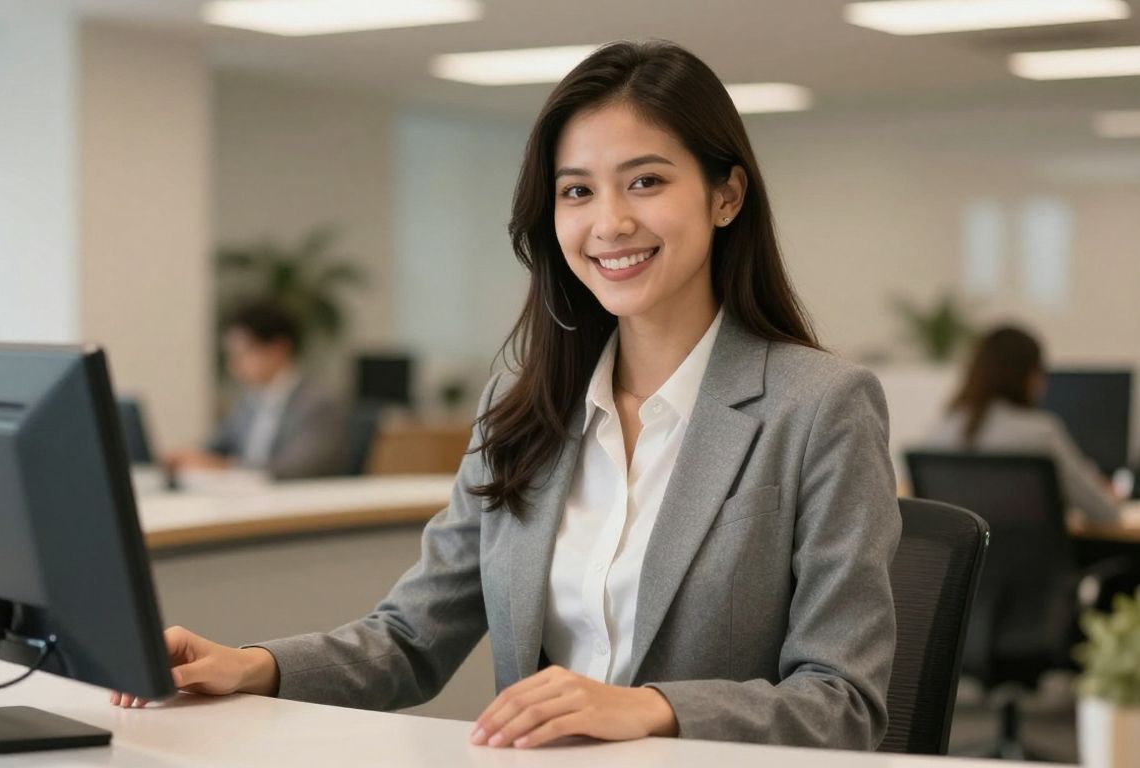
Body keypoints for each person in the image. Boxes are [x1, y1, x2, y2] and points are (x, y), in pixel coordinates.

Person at [114, 40, 901, 751]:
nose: (611, 222)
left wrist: (654, 708)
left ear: (726, 197)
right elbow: (411, 637)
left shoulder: (820, 406)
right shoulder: (524, 404)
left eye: (647, 181)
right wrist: (251, 665)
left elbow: (843, 703)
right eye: (577, 192)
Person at [919, 325, 1121, 523]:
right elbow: (1103, 512)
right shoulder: (1041, 433)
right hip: (1034, 556)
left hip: (970, 557)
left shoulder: (942, 429)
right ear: (1030, 376)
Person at [165, 301, 347, 480]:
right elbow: (216, 446)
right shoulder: (248, 402)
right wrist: (186, 457)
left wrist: (223, 467)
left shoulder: (317, 405)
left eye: (242, 354)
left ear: (278, 350)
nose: (233, 365)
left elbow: (294, 469)